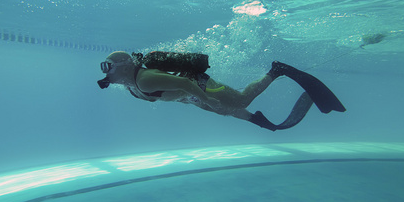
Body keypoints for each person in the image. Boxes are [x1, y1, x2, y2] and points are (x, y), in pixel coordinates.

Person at [97, 51, 345, 131]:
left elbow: (184, 83)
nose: (106, 72)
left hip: (197, 84)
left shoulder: (145, 80)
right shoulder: (131, 88)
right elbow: (177, 93)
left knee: (241, 99)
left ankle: (276, 70)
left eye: (108, 66)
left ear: (125, 65)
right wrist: (200, 102)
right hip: (191, 94)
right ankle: (257, 120)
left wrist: (206, 98)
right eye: (104, 67)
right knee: (223, 111)